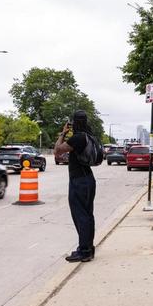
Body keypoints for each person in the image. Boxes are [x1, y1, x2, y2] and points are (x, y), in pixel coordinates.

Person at [54, 110, 96, 262]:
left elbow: (57, 151)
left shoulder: (77, 138)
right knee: (87, 215)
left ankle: (84, 251)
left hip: (80, 181)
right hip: (88, 179)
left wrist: (63, 133)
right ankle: (88, 248)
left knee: (80, 215)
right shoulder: (88, 136)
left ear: (75, 122)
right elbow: (58, 154)